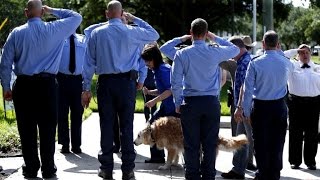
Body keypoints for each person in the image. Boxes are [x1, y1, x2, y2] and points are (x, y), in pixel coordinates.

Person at [0, 0, 82, 178]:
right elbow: (76, 17)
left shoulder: (16, 33)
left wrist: (6, 87)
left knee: (26, 129)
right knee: (48, 128)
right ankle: (48, 168)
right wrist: (52, 10)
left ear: (25, 12)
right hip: (48, 86)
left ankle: (30, 168)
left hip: (23, 85)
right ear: (42, 12)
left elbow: (5, 63)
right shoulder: (55, 29)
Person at [81, 1, 159, 179]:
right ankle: (128, 170)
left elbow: (88, 63)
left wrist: (86, 88)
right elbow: (154, 34)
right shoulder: (132, 32)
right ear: (122, 13)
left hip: (106, 83)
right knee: (126, 126)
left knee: (106, 125)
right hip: (126, 84)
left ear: (107, 14)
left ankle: (106, 168)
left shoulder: (96, 33)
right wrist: (134, 19)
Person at [168, 18, 239, 180]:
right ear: (206, 34)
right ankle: (208, 176)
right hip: (210, 102)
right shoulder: (214, 51)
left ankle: (192, 176)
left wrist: (177, 102)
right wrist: (214, 38)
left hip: (190, 102)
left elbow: (176, 82)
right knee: (209, 144)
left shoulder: (181, 54)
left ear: (191, 32)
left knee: (191, 145)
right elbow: (235, 49)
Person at [236, 30, 294, 180]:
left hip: (260, 107)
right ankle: (275, 173)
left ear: (263, 44)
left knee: (261, 143)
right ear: (278, 44)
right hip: (279, 107)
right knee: (278, 142)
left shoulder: (255, 62)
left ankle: (262, 172)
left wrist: (246, 111)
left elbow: (248, 89)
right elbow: (291, 70)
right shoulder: (286, 62)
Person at [221, 37, 254, 179]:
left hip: (246, 108)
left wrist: (240, 108)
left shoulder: (245, 63)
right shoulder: (242, 61)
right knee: (241, 139)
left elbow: (245, 88)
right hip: (243, 107)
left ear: (236, 48)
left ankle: (260, 171)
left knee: (251, 138)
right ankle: (238, 170)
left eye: (230, 50)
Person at [141, 43, 178, 164]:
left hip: (173, 107)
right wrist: (150, 92)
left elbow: (170, 90)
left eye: (148, 61)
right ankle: (157, 156)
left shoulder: (163, 70)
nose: (147, 64)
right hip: (165, 106)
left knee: (164, 130)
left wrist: (153, 101)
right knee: (151, 126)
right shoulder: (156, 70)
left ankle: (168, 156)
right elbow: (162, 90)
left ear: (155, 59)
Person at [287, 44, 320, 170]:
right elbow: (281, 55)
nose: (305, 55)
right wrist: (295, 50)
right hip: (296, 102)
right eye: (302, 53)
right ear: (297, 55)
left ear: (310, 54)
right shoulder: (291, 66)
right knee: (295, 132)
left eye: (307, 52)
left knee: (312, 134)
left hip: (314, 102)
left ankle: (310, 161)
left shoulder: (317, 67)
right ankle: (295, 161)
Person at [57, 32, 86, 154]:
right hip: (61, 79)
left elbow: (87, 60)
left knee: (77, 113)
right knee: (61, 113)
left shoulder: (83, 39)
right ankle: (64, 144)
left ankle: (76, 145)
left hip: (78, 80)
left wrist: (86, 85)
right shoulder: (58, 38)